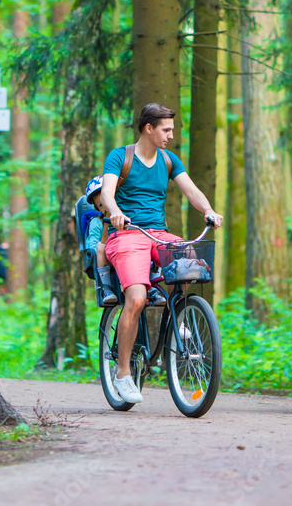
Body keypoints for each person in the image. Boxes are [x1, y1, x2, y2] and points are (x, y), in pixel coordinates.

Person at [100, 102, 223, 405]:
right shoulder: (120, 157)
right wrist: (115, 213)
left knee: (190, 262)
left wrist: (208, 210)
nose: (170, 135)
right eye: (166, 129)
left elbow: (191, 190)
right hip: (127, 234)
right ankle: (123, 373)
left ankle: (181, 315)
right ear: (148, 129)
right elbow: (107, 193)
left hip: (159, 234)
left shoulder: (169, 160)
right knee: (138, 298)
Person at [82, 175, 166, 308]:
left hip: (133, 252)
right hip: (110, 257)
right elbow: (92, 246)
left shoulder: (130, 217)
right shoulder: (97, 223)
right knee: (99, 247)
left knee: (154, 243)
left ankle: (153, 288)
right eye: (102, 205)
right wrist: (107, 223)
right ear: (98, 208)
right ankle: (107, 288)